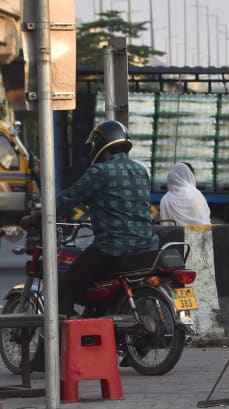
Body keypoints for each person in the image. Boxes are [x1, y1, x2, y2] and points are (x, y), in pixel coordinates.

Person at [21, 120, 159, 319]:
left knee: (65, 286)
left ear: (100, 144)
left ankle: (64, 339)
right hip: (147, 246)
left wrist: (37, 217)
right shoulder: (140, 170)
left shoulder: (99, 172)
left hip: (112, 247)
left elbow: (68, 199)